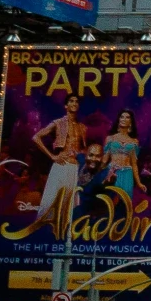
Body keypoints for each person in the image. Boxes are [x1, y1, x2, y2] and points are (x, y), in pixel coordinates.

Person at [32, 94, 88, 234]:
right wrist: (52, 156)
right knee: (52, 198)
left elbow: (83, 148)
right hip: (61, 165)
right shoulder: (58, 123)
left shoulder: (82, 127)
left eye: (76, 101)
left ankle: (66, 231)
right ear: (66, 105)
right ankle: (45, 230)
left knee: (71, 201)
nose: (74, 103)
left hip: (75, 167)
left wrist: (82, 155)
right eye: (71, 101)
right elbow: (36, 137)